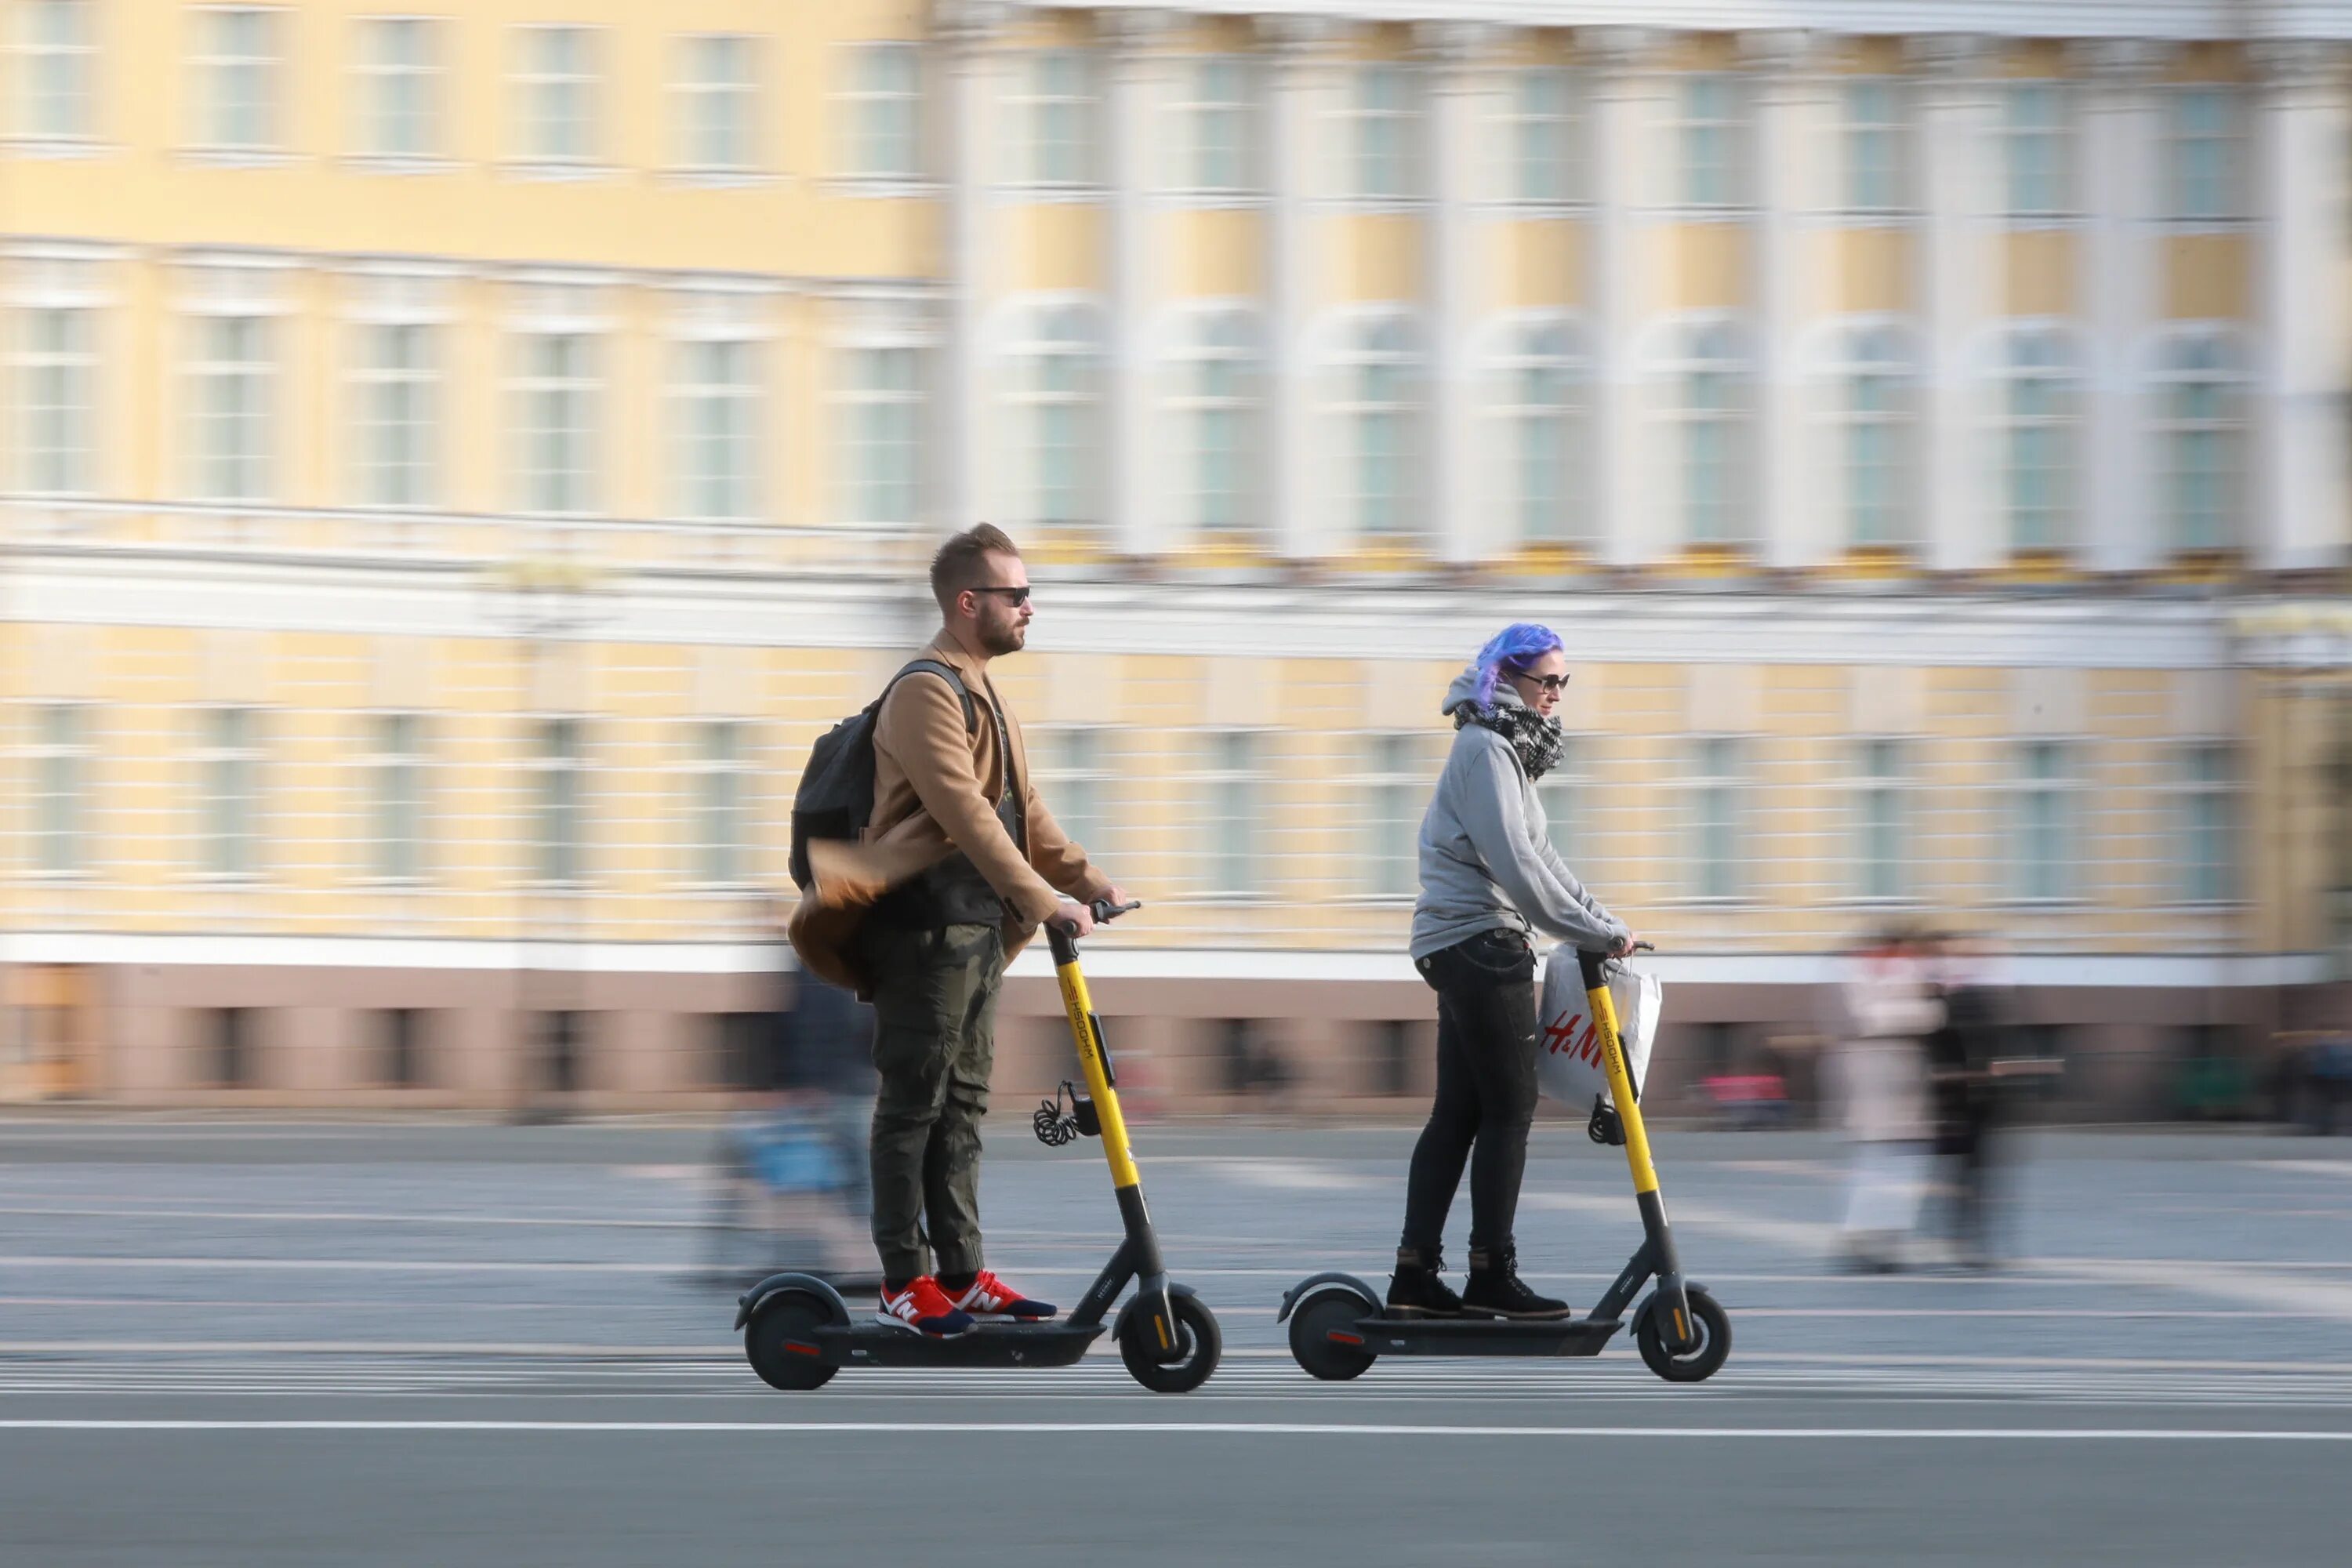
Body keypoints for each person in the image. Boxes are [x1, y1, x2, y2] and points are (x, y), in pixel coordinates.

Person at [789, 524, 1128, 1339]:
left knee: (963, 1105)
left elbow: (1023, 809)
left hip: (976, 932)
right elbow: (964, 811)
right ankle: (904, 1278)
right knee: (912, 1103)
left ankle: (962, 1271)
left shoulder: (985, 690)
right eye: (1017, 596)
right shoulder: (926, 690)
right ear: (969, 601)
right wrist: (1046, 899)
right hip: (922, 929)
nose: (1030, 608)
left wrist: (1089, 880)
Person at [1388, 623, 1635, 1320]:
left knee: (1460, 1114)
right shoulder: (1486, 750)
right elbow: (1518, 868)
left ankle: (1415, 1276)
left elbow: (1545, 857)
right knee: (1510, 1109)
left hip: (1464, 943)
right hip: (1480, 943)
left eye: (1564, 682)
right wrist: (1589, 931)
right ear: (1507, 678)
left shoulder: (1502, 752)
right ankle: (1490, 1273)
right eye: (1547, 680)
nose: (1557, 694)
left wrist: (1606, 923)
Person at [1831, 925, 1943, 1272]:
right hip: (1874, 1091)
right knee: (1876, 1168)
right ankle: (1861, 1237)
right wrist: (1908, 1012)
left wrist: (1899, 1013)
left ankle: (1887, 1239)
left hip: (1906, 1092)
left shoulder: (1908, 976)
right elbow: (1868, 1018)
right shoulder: (1854, 978)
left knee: (1902, 1170)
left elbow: (1933, 1016)